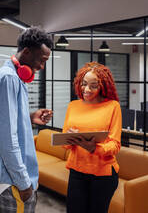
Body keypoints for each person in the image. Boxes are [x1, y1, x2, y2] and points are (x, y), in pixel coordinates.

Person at [0, 26, 53, 213]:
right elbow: (6, 139)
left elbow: (2, 122)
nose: (41, 66)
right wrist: (23, 182)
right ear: (27, 52)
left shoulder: (13, 77)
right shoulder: (9, 79)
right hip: (11, 181)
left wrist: (30, 117)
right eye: (42, 60)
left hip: (9, 178)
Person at [62, 61, 122, 213]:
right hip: (77, 171)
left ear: (103, 86)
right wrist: (68, 139)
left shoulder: (113, 106)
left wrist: (94, 148)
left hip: (103, 174)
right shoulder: (73, 106)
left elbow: (115, 144)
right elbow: (65, 143)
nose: (87, 89)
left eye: (93, 85)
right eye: (84, 84)